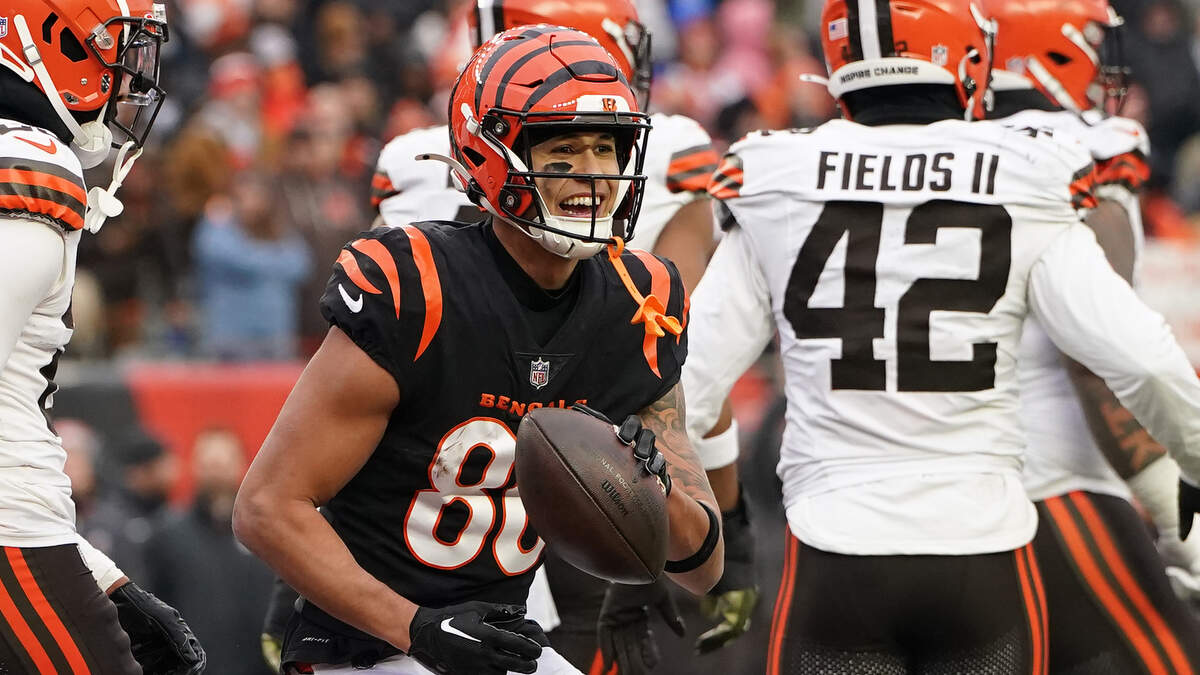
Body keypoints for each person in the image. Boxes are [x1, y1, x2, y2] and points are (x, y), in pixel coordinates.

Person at [680, 0, 1200, 672]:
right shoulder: (1026, 170)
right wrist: (1192, 461)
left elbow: (687, 385)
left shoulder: (776, 174)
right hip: (981, 547)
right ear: (970, 57)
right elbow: (1143, 360)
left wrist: (680, 547)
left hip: (835, 546)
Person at [270, 3, 755, 672]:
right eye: (563, 149)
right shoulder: (415, 285)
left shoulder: (638, 298)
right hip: (369, 643)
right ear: (490, 155)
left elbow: (701, 566)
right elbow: (267, 506)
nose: (593, 173)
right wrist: (417, 629)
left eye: (605, 147)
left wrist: (652, 486)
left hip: (502, 634)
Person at [987, 0, 1200, 670]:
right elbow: (1098, 361)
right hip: (1055, 475)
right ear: (1053, 52)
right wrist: (1177, 508)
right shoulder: (1087, 152)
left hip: (951, 489)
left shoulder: (956, 150)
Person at [0, 1, 205, 673]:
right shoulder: (30, 165)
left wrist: (100, 574)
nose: (133, 78)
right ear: (54, 39)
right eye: (124, 49)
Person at [145, 428, 275, 675]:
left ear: (242, 465)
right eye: (209, 465)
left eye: (223, 464)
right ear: (195, 467)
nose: (217, 474)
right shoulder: (166, 535)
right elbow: (153, 613)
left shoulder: (266, 531)